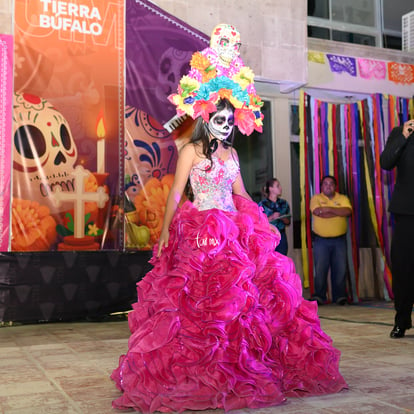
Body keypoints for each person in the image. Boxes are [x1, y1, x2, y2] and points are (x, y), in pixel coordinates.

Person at [111, 24, 347, 412]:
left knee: (247, 304)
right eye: (217, 118)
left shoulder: (232, 156)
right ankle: (200, 371)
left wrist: (261, 220)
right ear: (205, 117)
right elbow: (175, 194)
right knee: (199, 307)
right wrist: (168, 231)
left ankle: (245, 366)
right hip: (200, 232)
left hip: (233, 234)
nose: (223, 124)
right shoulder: (189, 151)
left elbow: (239, 196)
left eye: (228, 119)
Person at [380, 119, 414, 338]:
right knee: (403, 268)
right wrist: (403, 135)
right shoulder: (400, 132)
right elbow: (386, 162)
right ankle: (401, 320)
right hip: (406, 212)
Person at [310, 175, 352, 305]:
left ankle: (339, 297)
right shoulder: (316, 198)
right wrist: (337, 211)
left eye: (331, 184)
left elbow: (347, 211)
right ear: (321, 187)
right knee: (321, 269)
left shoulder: (343, 198)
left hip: (339, 240)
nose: (328, 186)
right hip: (321, 241)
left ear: (335, 186)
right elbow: (317, 212)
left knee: (340, 269)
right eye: (325, 184)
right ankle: (319, 296)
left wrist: (327, 209)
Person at [259, 178, 291, 255]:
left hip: (281, 235)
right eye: (277, 186)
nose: (280, 188)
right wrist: (271, 217)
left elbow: (288, 222)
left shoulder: (283, 203)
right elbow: (258, 222)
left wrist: (282, 217)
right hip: (268, 236)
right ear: (271, 189)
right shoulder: (262, 204)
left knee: (282, 258)